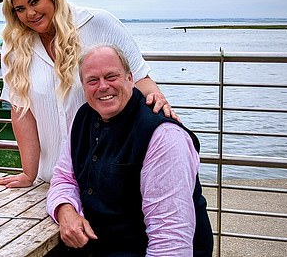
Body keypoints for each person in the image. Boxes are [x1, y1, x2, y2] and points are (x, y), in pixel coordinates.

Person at [0, 0, 178, 188]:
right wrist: (28, 173)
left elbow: (138, 77)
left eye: (35, 2)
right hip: (51, 180)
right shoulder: (15, 45)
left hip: (108, 177)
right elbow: (21, 111)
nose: (30, 14)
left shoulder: (97, 22)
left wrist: (157, 99)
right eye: (20, 9)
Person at [46, 45, 213, 256]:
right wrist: (65, 210)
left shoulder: (163, 136)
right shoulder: (83, 117)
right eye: (92, 80)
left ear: (130, 78)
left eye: (111, 76)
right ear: (83, 85)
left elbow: (170, 239)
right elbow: (63, 178)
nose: (103, 86)